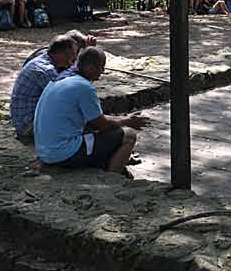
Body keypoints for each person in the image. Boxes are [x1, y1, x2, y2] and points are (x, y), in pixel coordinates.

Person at [33, 47, 148, 175]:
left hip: (45, 152)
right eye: (101, 67)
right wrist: (127, 121)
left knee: (106, 130)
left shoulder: (61, 79)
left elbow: (93, 120)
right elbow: (101, 123)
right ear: (90, 68)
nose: (102, 72)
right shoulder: (84, 87)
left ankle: (112, 162)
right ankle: (113, 177)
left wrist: (120, 121)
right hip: (63, 154)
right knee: (129, 134)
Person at [10, 35, 76, 142]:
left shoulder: (44, 57)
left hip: (25, 119)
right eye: (72, 54)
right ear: (61, 53)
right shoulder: (46, 71)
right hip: (27, 126)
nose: (73, 59)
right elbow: (67, 97)